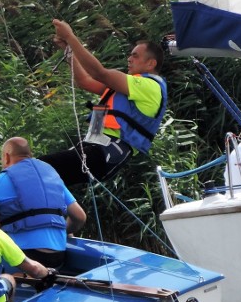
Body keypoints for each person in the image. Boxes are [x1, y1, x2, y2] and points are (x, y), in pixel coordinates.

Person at [39, 19, 167, 188]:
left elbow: (99, 73)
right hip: (93, 148)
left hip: (107, 152)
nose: (129, 59)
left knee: (35, 168)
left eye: (135, 56)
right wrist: (68, 51)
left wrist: (70, 37)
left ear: (151, 63)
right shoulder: (127, 88)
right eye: (130, 55)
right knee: (43, 181)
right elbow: (85, 81)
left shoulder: (150, 86)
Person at [0, 137, 87, 269]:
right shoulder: (52, 177)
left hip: (23, 257)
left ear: (7, 157)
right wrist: (62, 231)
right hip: (57, 256)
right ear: (30, 155)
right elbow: (80, 217)